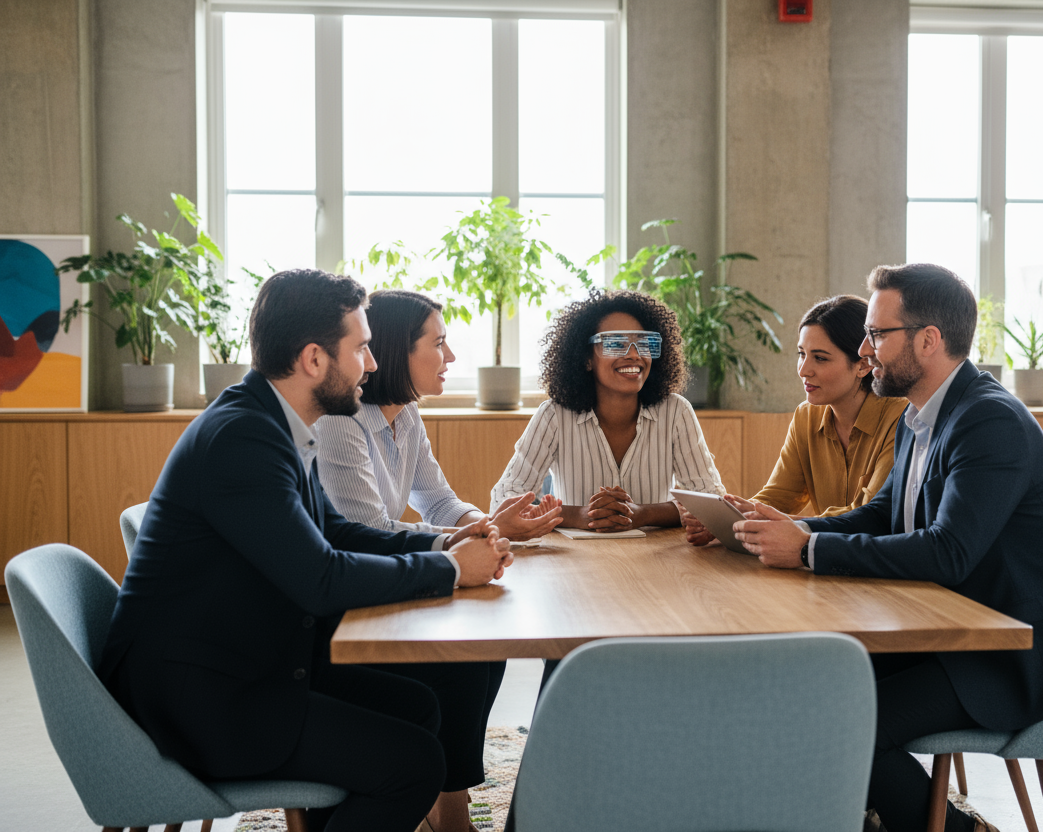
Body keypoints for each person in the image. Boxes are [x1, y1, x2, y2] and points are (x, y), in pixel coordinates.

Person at [97, 269, 513, 832]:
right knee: (413, 763)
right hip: (201, 700)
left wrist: (450, 549)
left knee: (419, 708)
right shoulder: (241, 439)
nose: (371, 363)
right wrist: (445, 570)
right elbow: (320, 578)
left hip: (240, 663)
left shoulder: (275, 423)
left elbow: (336, 533)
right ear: (314, 359)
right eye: (362, 348)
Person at [724, 263, 1043, 832]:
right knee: (801, 682)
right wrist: (794, 530)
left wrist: (806, 553)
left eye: (876, 335)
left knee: (844, 723)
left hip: (1005, 651)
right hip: (949, 628)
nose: (866, 350)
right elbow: (882, 515)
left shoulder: (987, 421)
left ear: (928, 340)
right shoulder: (921, 417)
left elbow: (949, 553)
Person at [316, 288, 560, 832]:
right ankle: (448, 810)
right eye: (440, 344)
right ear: (400, 350)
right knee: (468, 655)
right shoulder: (340, 423)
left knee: (483, 646)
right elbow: (369, 531)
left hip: (386, 580)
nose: (450, 358)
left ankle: (449, 805)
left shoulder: (406, 418)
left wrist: (485, 527)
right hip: (353, 610)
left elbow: (440, 501)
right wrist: (462, 542)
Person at [681, 295, 907, 545]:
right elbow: (779, 495)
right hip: (825, 562)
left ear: (863, 365)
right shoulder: (806, 416)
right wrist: (732, 518)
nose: (803, 370)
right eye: (802, 354)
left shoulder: (902, 418)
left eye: (820, 358)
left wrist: (774, 523)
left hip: (878, 564)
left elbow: (870, 516)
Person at [490, 289, 724, 530]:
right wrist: (580, 515)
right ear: (586, 358)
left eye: (644, 344)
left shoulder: (676, 411)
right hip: (574, 562)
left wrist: (643, 514)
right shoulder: (555, 415)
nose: (634, 355)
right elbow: (504, 500)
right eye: (615, 344)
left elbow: (711, 501)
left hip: (657, 561)